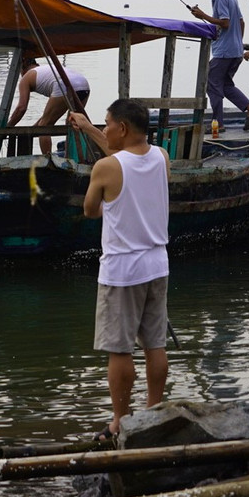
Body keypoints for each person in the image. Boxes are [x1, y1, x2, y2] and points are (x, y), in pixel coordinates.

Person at [68, 100, 170, 440]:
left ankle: (119, 421)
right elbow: (123, 157)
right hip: (158, 264)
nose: (106, 128)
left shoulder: (105, 169)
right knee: (155, 344)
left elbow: (90, 209)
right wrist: (89, 129)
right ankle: (154, 411)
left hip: (123, 270)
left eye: (108, 123)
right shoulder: (161, 158)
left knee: (120, 348)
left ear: (123, 128)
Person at [188, 0, 249, 131]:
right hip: (235, 51)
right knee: (225, 85)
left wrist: (203, 16)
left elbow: (225, 22)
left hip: (224, 52)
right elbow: (241, 22)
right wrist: (237, 42)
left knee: (211, 83)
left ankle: (218, 124)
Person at [7, 56, 92, 156]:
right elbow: (49, 114)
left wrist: (8, 126)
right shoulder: (45, 70)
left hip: (63, 84)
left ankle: (48, 159)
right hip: (83, 85)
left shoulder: (26, 78)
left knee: (44, 127)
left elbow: (21, 108)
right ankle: (77, 158)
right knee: (73, 123)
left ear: (22, 69)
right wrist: (35, 127)